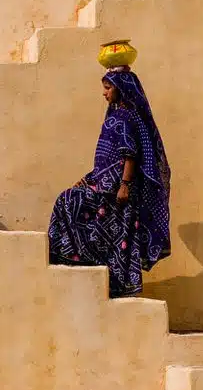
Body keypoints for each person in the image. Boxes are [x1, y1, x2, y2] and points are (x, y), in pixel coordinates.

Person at [48, 66, 171, 297]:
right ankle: (84, 263)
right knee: (68, 200)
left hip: (116, 193)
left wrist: (124, 186)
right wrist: (86, 181)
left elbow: (129, 155)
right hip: (105, 186)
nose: (104, 93)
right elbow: (106, 161)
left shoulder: (124, 118)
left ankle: (82, 262)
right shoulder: (119, 116)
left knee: (67, 202)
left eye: (107, 88)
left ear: (120, 88)